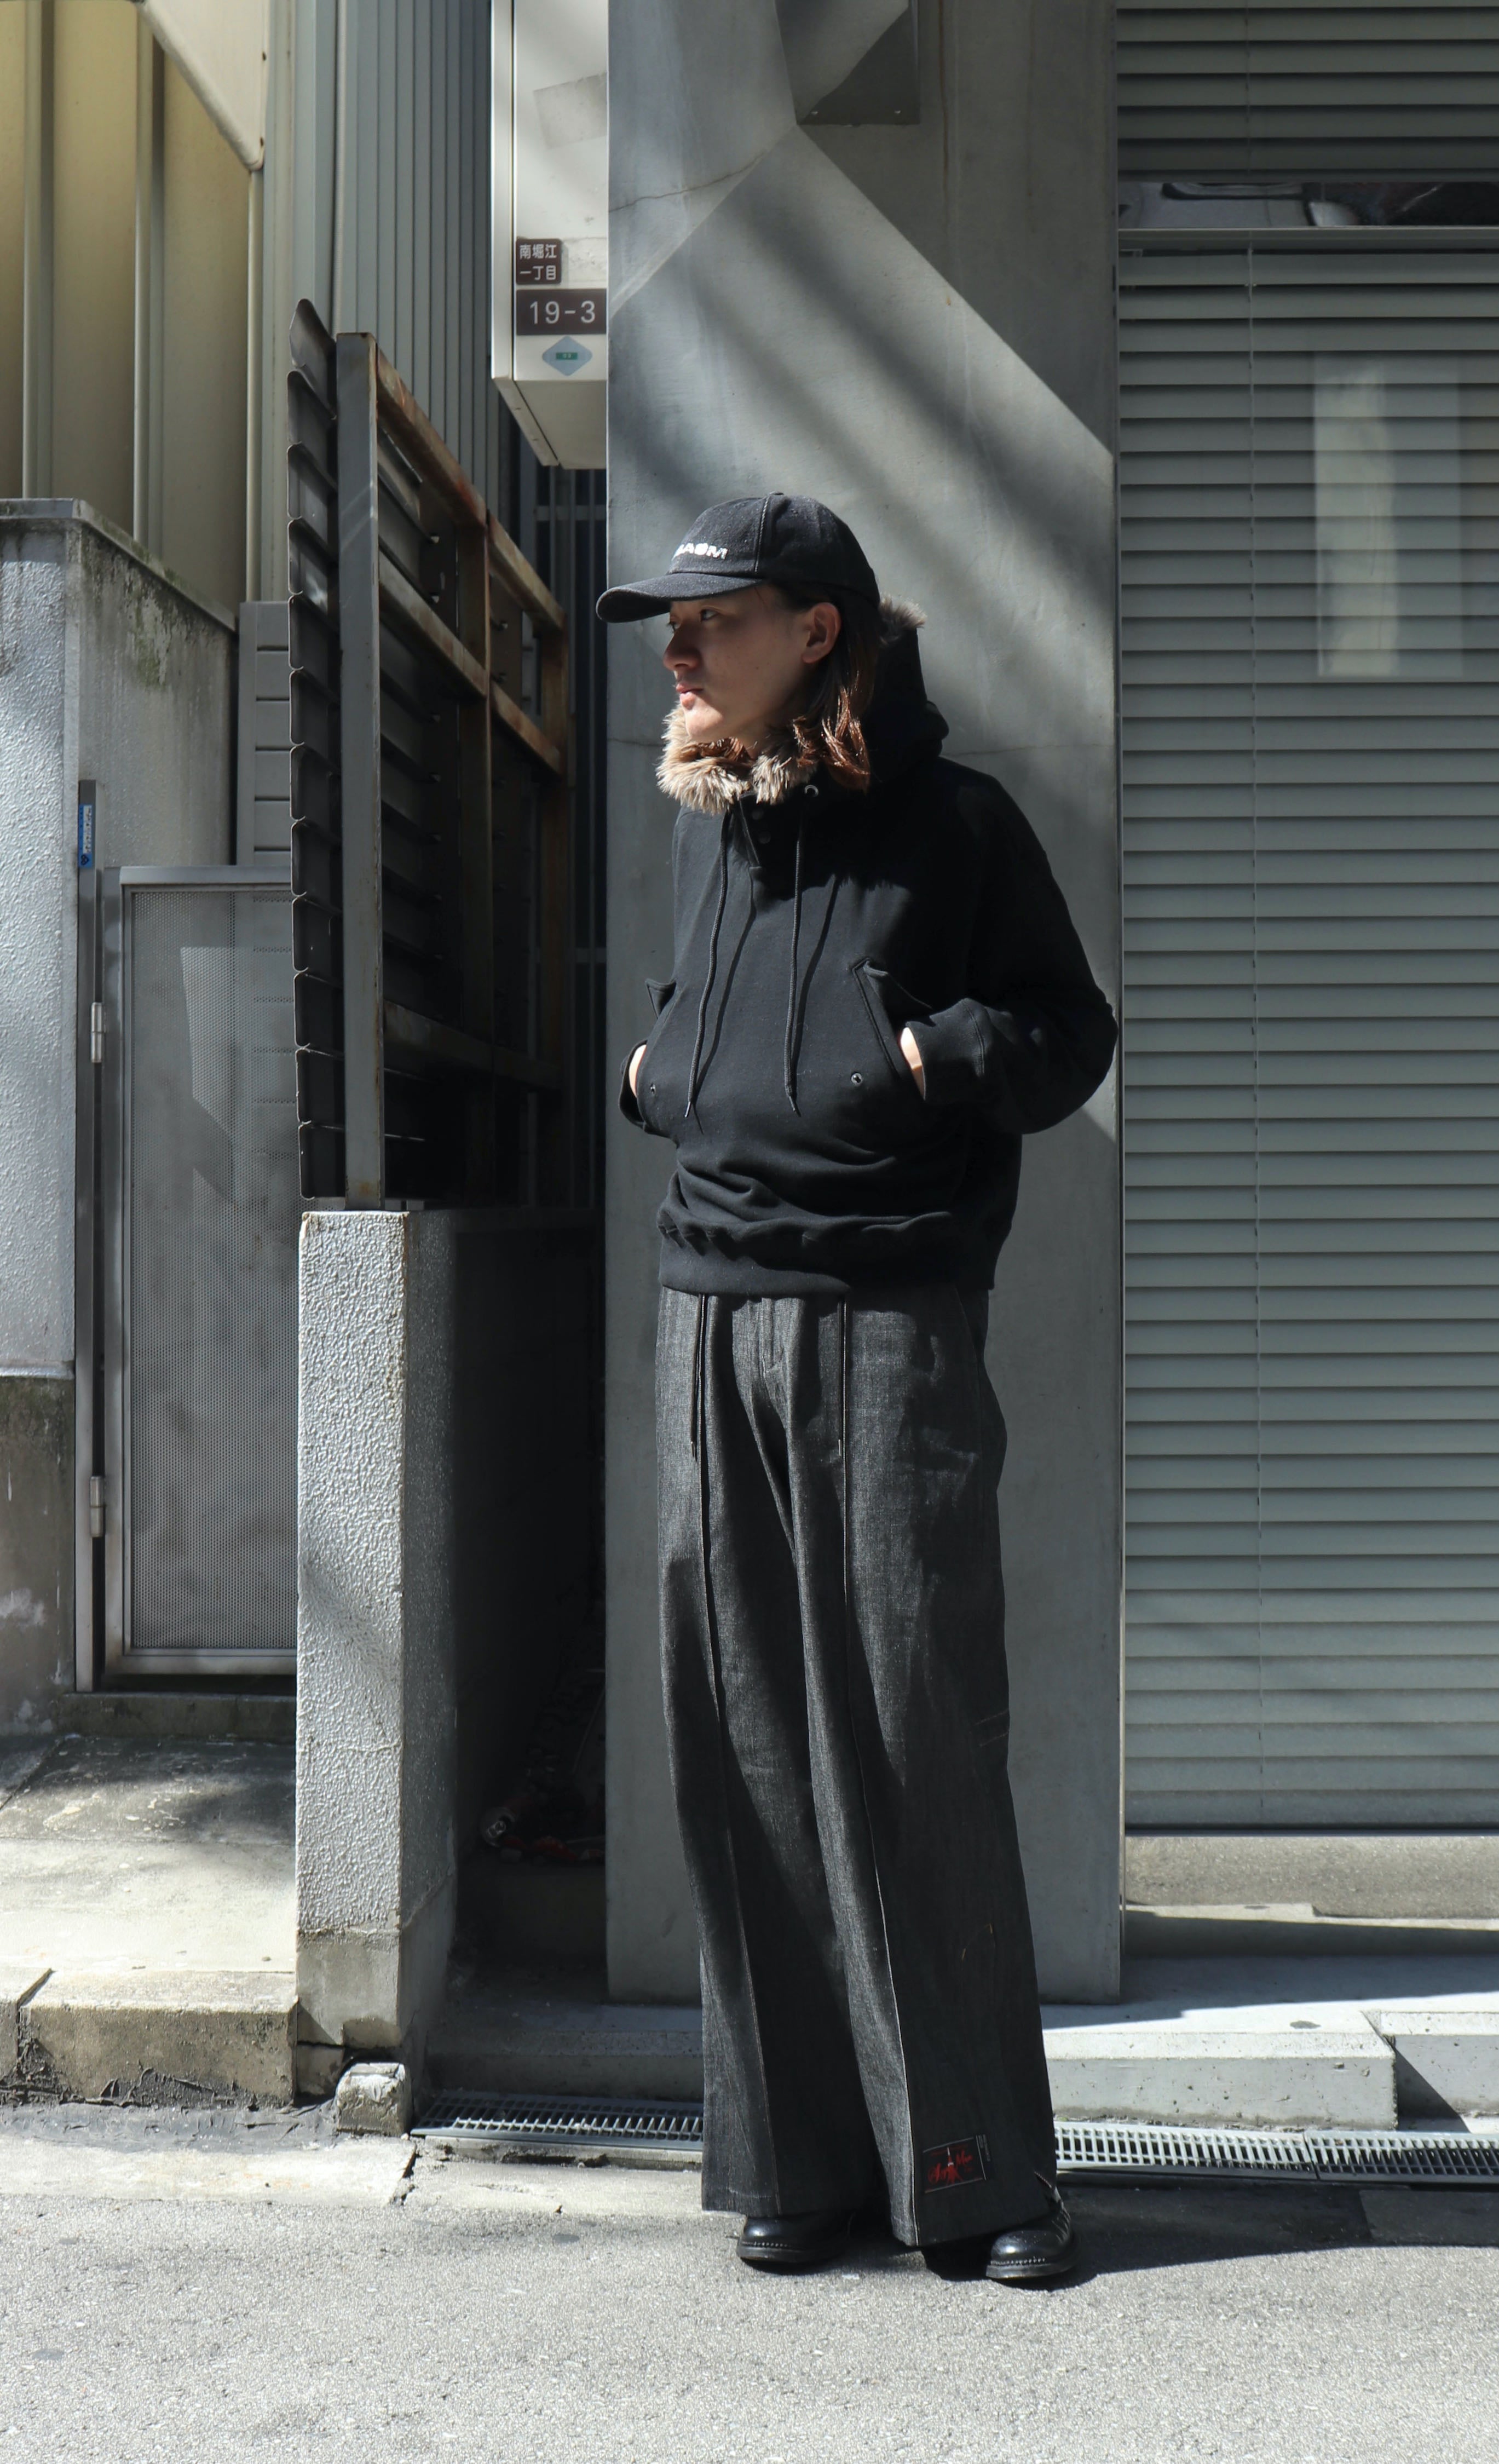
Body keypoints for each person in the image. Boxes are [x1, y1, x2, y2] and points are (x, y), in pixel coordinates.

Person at [598, 493, 1117, 2285]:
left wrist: (933, 1052)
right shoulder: (721, 834)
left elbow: (1069, 1032)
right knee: (739, 1744)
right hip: (708, 1315)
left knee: (913, 1735)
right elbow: (710, 1018)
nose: (677, 650)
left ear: (816, 629)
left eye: (711, 619)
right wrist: (660, 1070)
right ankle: (796, 2163)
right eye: (669, 626)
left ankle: (977, 2174)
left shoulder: (960, 828)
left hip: (888, 1319)